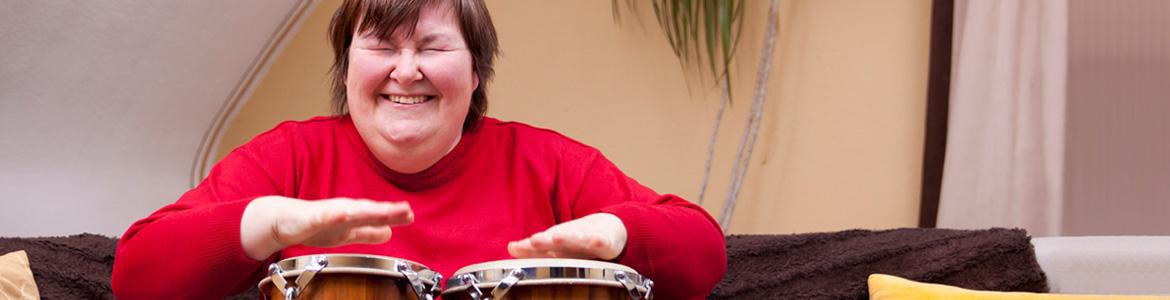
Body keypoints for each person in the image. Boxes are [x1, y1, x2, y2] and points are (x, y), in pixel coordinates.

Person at [111, 0, 726, 299]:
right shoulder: (288, 157)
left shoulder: (550, 163)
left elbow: (703, 252)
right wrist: (267, 222)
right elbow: (136, 276)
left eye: (431, 47)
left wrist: (617, 236)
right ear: (348, 67)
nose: (406, 71)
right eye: (381, 45)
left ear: (476, 71)